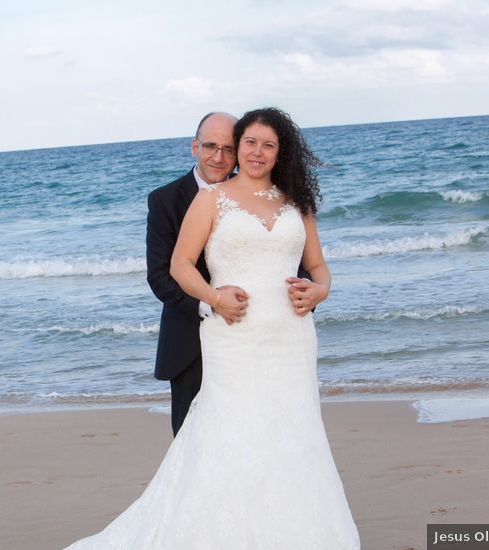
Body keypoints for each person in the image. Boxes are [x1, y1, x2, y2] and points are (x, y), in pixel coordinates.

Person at [66, 108, 360, 548]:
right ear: (231, 147)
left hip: (291, 339)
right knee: (228, 434)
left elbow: (318, 267)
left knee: (294, 432)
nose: (255, 152)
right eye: (249, 143)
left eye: (268, 145)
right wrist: (214, 298)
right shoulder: (210, 199)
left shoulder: (297, 201)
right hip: (232, 338)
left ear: (282, 153)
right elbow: (176, 267)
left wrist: (320, 291)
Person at [146, 112, 318, 437]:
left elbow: (290, 258)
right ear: (195, 147)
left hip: (271, 338)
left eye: (228, 148)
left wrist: (309, 293)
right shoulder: (165, 200)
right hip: (191, 342)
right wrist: (211, 304)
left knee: (272, 433)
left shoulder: (271, 196)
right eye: (211, 146)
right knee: (197, 442)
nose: (219, 156)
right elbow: (161, 275)